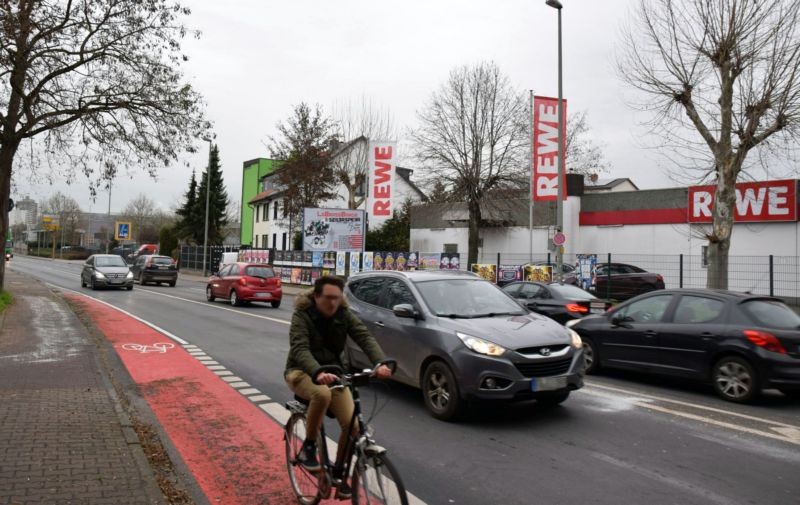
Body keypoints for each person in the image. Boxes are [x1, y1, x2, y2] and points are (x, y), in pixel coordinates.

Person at [284, 275, 391, 497]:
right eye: (328, 298)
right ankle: (309, 448)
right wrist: (317, 371)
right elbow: (300, 348)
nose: (333, 303)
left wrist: (380, 362)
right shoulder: (302, 316)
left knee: (353, 426)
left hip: (333, 374)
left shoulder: (344, 315)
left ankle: (340, 473)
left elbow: (363, 336)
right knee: (321, 394)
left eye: (337, 298)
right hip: (301, 371)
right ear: (316, 296)